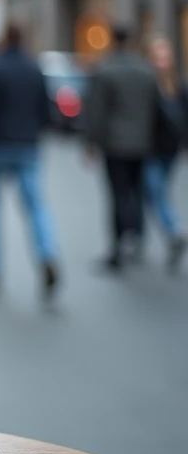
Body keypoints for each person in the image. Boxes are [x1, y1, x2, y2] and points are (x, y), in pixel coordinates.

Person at [0, 23, 60, 299]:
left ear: (4, 38)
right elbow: (48, 112)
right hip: (27, 147)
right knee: (35, 207)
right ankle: (47, 253)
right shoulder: (35, 69)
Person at [84, 25, 162, 271]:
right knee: (136, 192)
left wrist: (91, 142)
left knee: (118, 194)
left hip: (116, 144)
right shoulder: (145, 70)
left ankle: (117, 247)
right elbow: (157, 107)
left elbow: (96, 112)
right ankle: (136, 239)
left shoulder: (107, 70)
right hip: (142, 143)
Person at [142, 35, 187, 271]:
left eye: (164, 56)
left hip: (168, 150)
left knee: (157, 193)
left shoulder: (177, 85)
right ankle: (168, 233)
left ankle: (174, 231)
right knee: (155, 193)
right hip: (151, 148)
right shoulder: (148, 83)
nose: (161, 61)